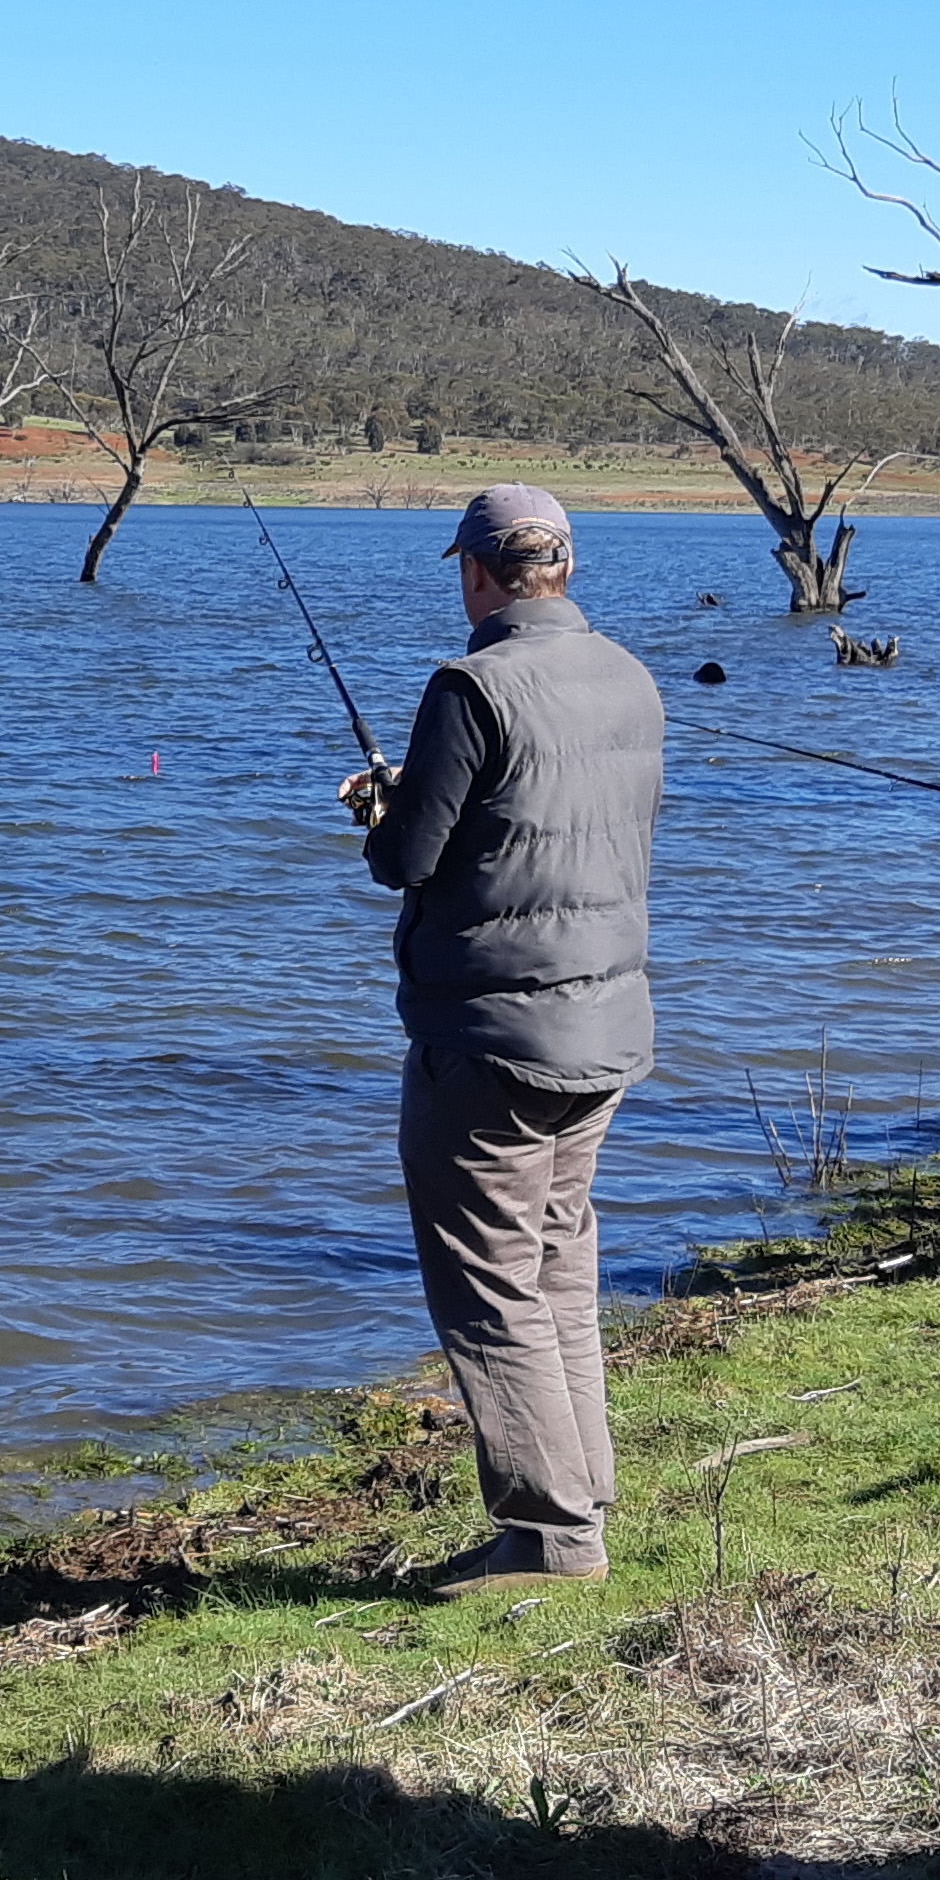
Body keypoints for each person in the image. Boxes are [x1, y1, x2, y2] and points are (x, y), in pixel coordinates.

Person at [341, 483, 666, 1597]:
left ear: (478, 573)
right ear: (562, 567)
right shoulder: (628, 674)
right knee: (558, 1262)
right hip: (607, 1024)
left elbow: (410, 860)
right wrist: (415, 794)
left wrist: (382, 809)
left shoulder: (468, 683)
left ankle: (550, 1534)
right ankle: (584, 1500)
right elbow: (543, 817)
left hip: (489, 1034)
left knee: (487, 1281)